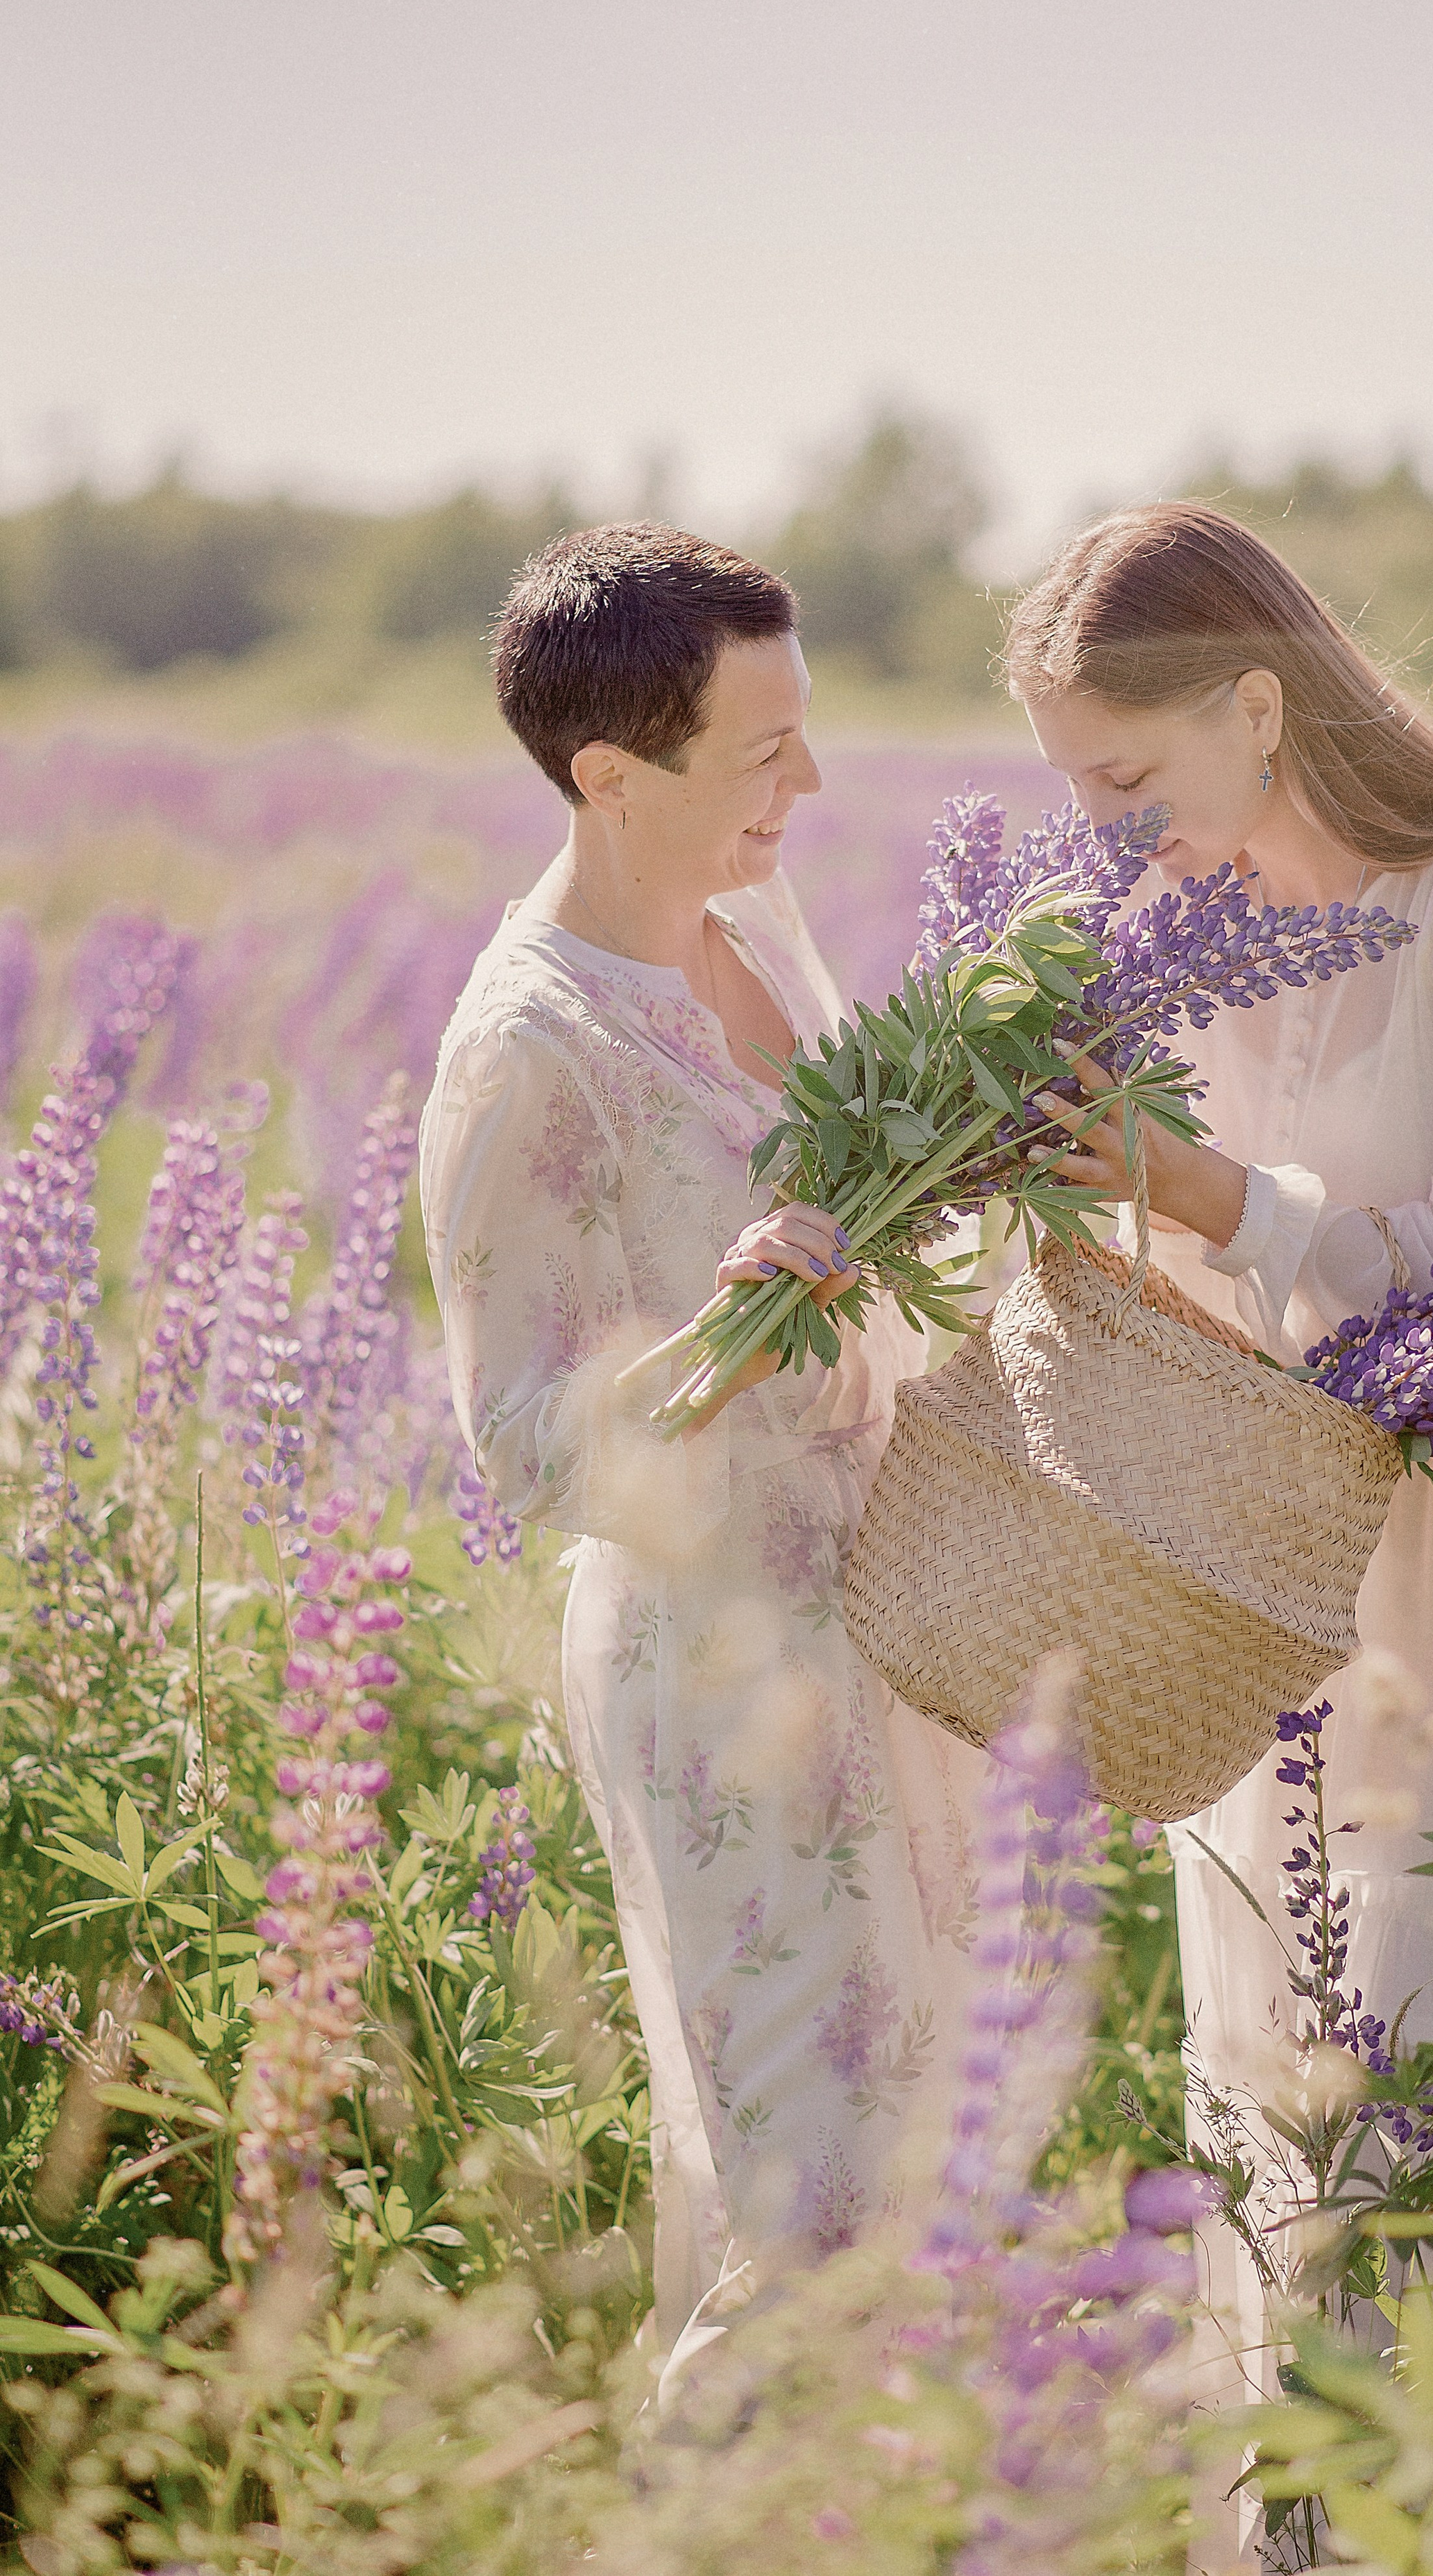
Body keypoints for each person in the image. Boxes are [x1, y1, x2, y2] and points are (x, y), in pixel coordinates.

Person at [1002, 503, 1433, 2542]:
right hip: (1276, 1598)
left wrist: (1214, 1204)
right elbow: (1219, 1300)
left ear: (1261, 705)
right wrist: (1073, 1226)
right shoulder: (1184, 942)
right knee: (1286, 2106)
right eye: (1074, 795)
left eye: (1129, 780)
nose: (1109, 839)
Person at [418, 524, 986, 2359]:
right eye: (764, 753)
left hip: (887, 1627)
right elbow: (518, 1448)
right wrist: (713, 1349)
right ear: (611, 777)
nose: (808, 783)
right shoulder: (529, 1042)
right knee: (794, 2211)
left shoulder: (749, 924)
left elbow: (870, 1260)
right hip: (722, 1672)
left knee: (919, 2175)